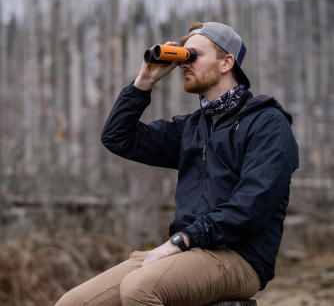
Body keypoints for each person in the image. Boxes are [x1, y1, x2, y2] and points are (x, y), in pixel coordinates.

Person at [56, 22, 299, 306]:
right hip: (188, 249)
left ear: (226, 63)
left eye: (193, 55)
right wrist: (144, 80)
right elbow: (118, 137)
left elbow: (253, 204)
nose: (185, 63)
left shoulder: (267, 122)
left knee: (139, 288)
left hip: (240, 257)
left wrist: (183, 238)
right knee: (72, 303)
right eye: (183, 55)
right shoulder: (192, 128)